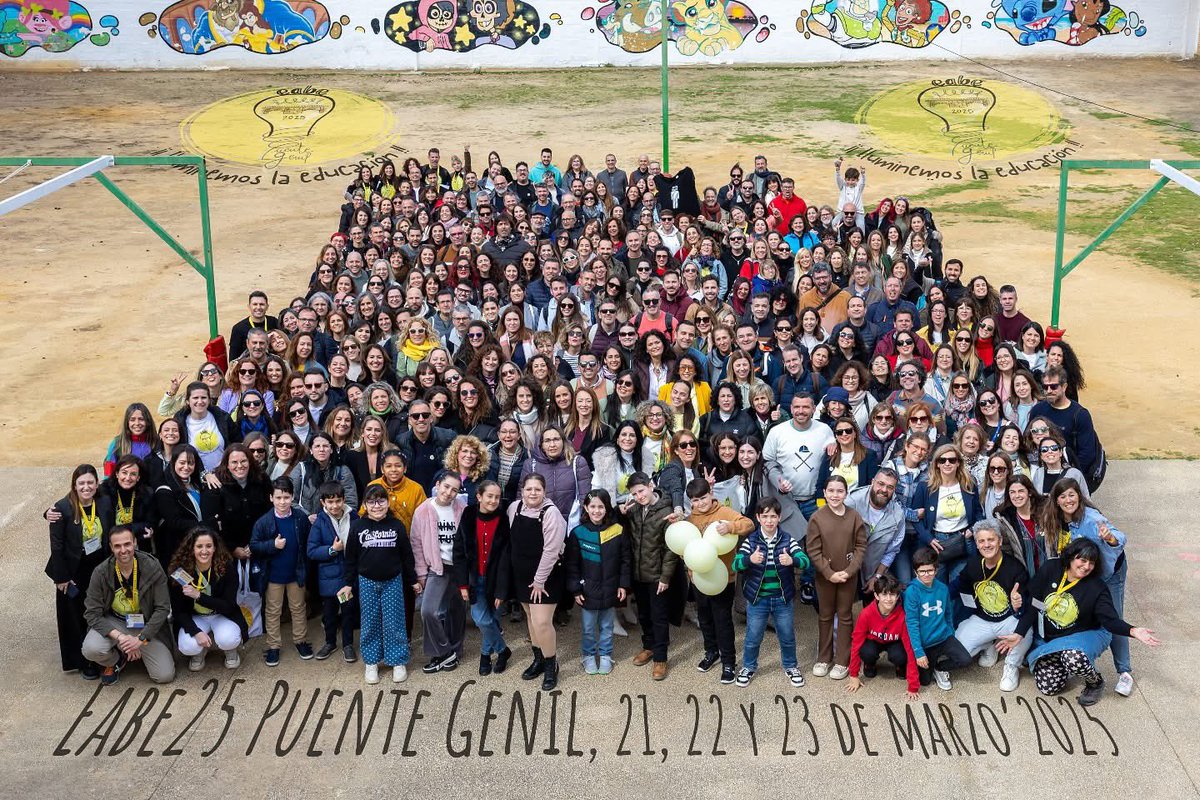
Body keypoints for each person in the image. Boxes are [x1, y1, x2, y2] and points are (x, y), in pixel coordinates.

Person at [999, 538, 1159, 706]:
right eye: (1082, 560)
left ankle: (1094, 683)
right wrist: (1019, 633)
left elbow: (1110, 620)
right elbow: (1034, 603)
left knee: (1073, 657)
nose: (1086, 566)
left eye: (1091, 562)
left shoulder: (1096, 587)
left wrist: (1133, 631)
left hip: (1085, 634)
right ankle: (1063, 662)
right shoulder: (1051, 568)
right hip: (1052, 637)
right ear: (1070, 557)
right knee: (1048, 687)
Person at [1043, 479, 1133, 696]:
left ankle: (1124, 672)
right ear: (1056, 500)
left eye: (1072, 495)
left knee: (1113, 619)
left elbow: (1120, 538)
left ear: (1079, 496)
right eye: (1062, 496)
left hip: (1109, 574)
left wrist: (1109, 537)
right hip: (1082, 573)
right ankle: (1079, 659)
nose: (1067, 500)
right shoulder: (1056, 519)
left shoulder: (1091, 518)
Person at [492, 474, 568, 691]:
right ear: (522, 491)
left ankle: (552, 665)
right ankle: (539, 660)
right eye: (528, 489)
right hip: (521, 575)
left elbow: (552, 550)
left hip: (545, 576)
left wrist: (539, 581)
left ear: (545, 492)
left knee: (542, 622)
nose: (532, 493)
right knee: (530, 617)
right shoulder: (514, 508)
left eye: (537, 489)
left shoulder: (551, 513)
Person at [341, 484, 421, 684]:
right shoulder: (358, 526)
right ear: (365, 505)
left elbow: (406, 556)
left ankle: (397, 661)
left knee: (394, 621)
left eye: (381, 501)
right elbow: (350, 558)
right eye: (371, 502)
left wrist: (413, 580)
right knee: (370, 623)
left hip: (393, 581)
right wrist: (348, 583)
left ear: (388, 502)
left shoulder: (397, 525)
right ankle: (372, 662)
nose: (377, 506)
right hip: (366, 581)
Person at [731, 497, 811, 688]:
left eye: (773, 516)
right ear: (758, 518)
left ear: (779, 518)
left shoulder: (787, 539)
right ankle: (748, 667)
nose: (769, 521)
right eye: (765, 516)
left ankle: (791, 666)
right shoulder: (751, 541)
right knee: (753, 636)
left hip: (782, 599)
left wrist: (793, 560)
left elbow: (805, 561)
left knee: (787, 635)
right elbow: (736, 564)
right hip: (758, 600)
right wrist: (749, 559)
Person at [81, 526, 176, 685]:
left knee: (164, 676)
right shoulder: (101, 572)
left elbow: (162, 608)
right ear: (111, 547)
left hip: (145, 623)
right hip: (115, 622)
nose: (123, 550)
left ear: (135, 543)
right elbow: (92, 613)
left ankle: (130, 648)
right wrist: (122, 638)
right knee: (91, 649)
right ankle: (116, 659)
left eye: (127, 544)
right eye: (117, 546)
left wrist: (140, 639)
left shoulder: (152, 567)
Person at [46, 465, 114, 679]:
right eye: (81, 483)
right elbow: (56, 546)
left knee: (98, 610)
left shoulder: (103, 502)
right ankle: (83, 661)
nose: (86, 487)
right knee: (75, 616)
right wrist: (61, 577)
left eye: (90, 482)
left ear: (96, 484)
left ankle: (101, 655)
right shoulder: (62, 509)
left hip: (98, 566)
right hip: (72, 572)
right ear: (74, 486)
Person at [686, 477, 754, 684]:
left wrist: (731, 527)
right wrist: (689, 568)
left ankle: (728, 662)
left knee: (723, 620)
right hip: (699, 577)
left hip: (724, 578)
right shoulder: (690, 519)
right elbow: (686, 547)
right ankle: (711, 652)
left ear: (711, 494)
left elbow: (748, 524)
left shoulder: (723, 512)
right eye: (695, 501)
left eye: (703, 498)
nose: (700, 504)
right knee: (704, 618)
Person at [950, 519, 1031, 692]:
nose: (987, 545)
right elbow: (956, 587)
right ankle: (989, 645)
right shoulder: (973, 565)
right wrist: (934, 596)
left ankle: (1011, 666)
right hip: (982, 620)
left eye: (991, 540)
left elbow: (1028, 606)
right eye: (981, 541)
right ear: (977, 545)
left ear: (1000, 541)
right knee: (958, 652)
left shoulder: (1015, 568)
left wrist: (1019, 604)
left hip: (1008, 620)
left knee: (1025, 631)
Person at [565, 488, 633, 676]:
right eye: (592, 506)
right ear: (586, 508)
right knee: (588, 628)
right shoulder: (578, 533)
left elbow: (626, 560)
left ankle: (605, 655)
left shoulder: (617, 530)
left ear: (607, 508)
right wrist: (576, 590)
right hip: (588, 592)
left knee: (607, 626)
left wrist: (623, 584)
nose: (596, 511)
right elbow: (572, 565)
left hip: (611, 588)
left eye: (601, 506)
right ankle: (588, 655)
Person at [807, 475, 867, 680]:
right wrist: (829, 573)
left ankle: (842, 661)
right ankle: (824, 658)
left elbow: (860, 546)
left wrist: (849, 571)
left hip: (847, 576)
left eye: (839, 491)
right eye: (831, 490)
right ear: (824, 493)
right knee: (825, 616)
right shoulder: (817, 517)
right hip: (825, 577)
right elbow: (813, 550)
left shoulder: (854, 517)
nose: (835, 495)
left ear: (846, 493)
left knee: (845, 615)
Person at [249, 477, 313, 667]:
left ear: (292, 496)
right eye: (278, 498)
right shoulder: (263, 522)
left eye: (286, 497)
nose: (283, 502)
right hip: (273, 576)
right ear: (271, 498)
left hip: (296, 574)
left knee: (298, 608)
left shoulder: (300, 518)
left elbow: (308, 542)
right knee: (273, 611)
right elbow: (254, 545)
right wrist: (272, 545)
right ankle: (273, 646)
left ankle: (300, 641)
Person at [410, 470, 469, 673]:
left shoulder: (462, 508)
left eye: (454, 490)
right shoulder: (423, 510)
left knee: (457, 612)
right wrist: (421, 573)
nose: (449, 492)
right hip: (437, 567)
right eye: (446, 487)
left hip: (459, 568)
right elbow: (416, 544)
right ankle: (443, 652)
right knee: (428, 611)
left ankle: (454, 652)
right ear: (437, 485)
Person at [623, 471, 680, 681]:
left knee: (659, 617)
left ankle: (660, 657)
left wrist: (665, 577)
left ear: (650, 485)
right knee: (644, 614)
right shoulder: (634, 510)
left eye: (641, 491)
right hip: (639, 573)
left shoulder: (666, 511)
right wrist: (621, 512)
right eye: (634, 494)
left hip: (657, 575)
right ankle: (648, 646)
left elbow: (670, 549)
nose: (639, 496)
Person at [454, 480, 513, 676]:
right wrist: (462, 583)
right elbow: (459, 551)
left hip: (495, 580)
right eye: (489, 496)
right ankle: (503, 650)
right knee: (481, 619)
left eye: (497, 497)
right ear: (479, 496)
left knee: (493, 619)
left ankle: (485, 655)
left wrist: (502, 590)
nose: (494, 500)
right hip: (474, 579)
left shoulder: (503, 519)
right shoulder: (469, 515)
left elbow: (506, 557)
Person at [168, 527, 247, 671]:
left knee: (228, 639)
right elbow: (178, 611)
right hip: (196, 616)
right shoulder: (180, 572)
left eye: (209, 546)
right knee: (187, 646)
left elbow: (228, 606)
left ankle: (230, 650)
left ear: (215, 548)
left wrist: (198, 596)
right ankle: (200, 650)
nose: (204, 551)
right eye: (199, 546)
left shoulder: (226, 568)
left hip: (222, 615)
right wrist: (195, 632)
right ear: (191, 548)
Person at [903, 547, 973, 690]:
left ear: (936, 569)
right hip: (925, 642)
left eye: (930, 570)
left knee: (965, 659)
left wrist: (951, 633)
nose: (926, 574)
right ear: (916, 572)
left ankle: (940, 668)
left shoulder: (942, 588)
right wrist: (918, 651)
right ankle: (930, 664)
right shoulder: (912, 592)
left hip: (943, 637)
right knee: (925, 681)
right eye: (922, 571)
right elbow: (912, 623)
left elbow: (948, 612)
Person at [763, 392, 835, 525]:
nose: (800, 411)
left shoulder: (825, 430)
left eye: (806, 407)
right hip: (785, 500)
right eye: (797, 407)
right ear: (791, 408)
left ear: (814, 409)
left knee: (816, 542)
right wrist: (778, 481)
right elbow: (767, 462)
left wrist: (835, 445)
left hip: (815, 500)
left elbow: (835, 457)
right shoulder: (777, 432)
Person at [844, 573, 920, 699]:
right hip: (874, 641)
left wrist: (913, 686)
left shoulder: (903, 616)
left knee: (901, 655)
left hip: (894, 642)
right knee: (866, 651)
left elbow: (910, 649)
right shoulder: (866, 614)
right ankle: (870, 664)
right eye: (884, 594)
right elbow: (856, 644)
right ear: (876, 596)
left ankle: (900, 666)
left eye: (892, 594)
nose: (888, 599)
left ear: (897, 596)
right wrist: (853, 675)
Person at [307, 480, 359, 663]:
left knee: (347, 612)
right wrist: (332, 550)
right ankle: (330, 642)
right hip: (329, 580)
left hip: (346, 578)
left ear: (344, 499)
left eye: (338, 501)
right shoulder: (320, 522)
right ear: (323, 503)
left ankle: (348, 644)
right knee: (329, 614)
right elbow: (312, 550)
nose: (335, 505)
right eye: (330, 502)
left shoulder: (354, 517)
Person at [1029, 366, 1103, 490]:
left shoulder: (1080, 415)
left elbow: (1087, 454)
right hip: (1043, 476)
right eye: (1045, 386)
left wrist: (1069, 478)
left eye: (1054, 386)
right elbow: (1030, 442)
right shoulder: (1037, 410)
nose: (1049, 390)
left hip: (1071, 479)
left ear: (1064, 387)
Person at [845, 467, 905, 595]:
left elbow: (892, 550)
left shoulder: (898, 515)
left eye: (890, 487)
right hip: (845, 567)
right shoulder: (851, 502)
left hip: (872, 570)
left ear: (894, 490)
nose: (884, 490)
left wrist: (877, 576)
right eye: (881, 484)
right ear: (872, 482)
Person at [362, 450, 427, 535]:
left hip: (408, 539)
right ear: (382, 469)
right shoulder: (373, 485)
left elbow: (424, 519)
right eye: (388, 466)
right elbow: (363, 514)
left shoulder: (416, 489)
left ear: (405, 468)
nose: (393, 470)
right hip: (376, 538)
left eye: (398, 466)